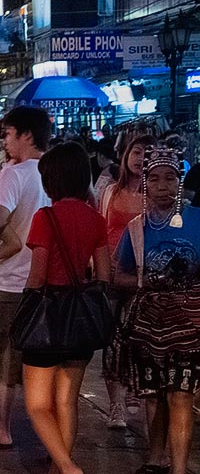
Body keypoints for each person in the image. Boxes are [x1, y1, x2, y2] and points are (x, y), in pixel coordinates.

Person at [19, 143, 111, 474]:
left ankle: (69, 470)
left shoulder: (46, 217)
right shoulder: (95, 219)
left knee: (38, 405)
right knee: (66, 401)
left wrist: (26, 302)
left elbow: (37, 275)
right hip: (81, 322)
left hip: (48, 320)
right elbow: (103, 275)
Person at [114, 142, 200, 474]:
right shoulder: (135, 229)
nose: (163, 185)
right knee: (153, 397)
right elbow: (118, 274)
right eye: (155, 178)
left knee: (181, 395)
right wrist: (145, 283)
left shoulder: (197, 219)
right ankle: (155, 456)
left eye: (170, 178)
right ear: (145, 183)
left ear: (180, 181)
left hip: (190, 325)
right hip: (148, 326)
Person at [0, 105, 51, 450]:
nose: (4, 140)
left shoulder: (14, 173)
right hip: (44, 280)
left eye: (8, 133)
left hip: (11, 280)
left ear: (26, 135)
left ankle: (2, 429)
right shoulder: (52, 172)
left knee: (3, 355)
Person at [99, 134, 150, 428]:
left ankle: (133, 389)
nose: (140, 158)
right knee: (110, 339)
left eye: (146, 153)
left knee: (138, 339)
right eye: (136, 151)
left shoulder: (155, 195)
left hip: (142, 276)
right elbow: (101, 228)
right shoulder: (109, 192)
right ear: (126, 155)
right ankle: (115, 405)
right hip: (111, 273)